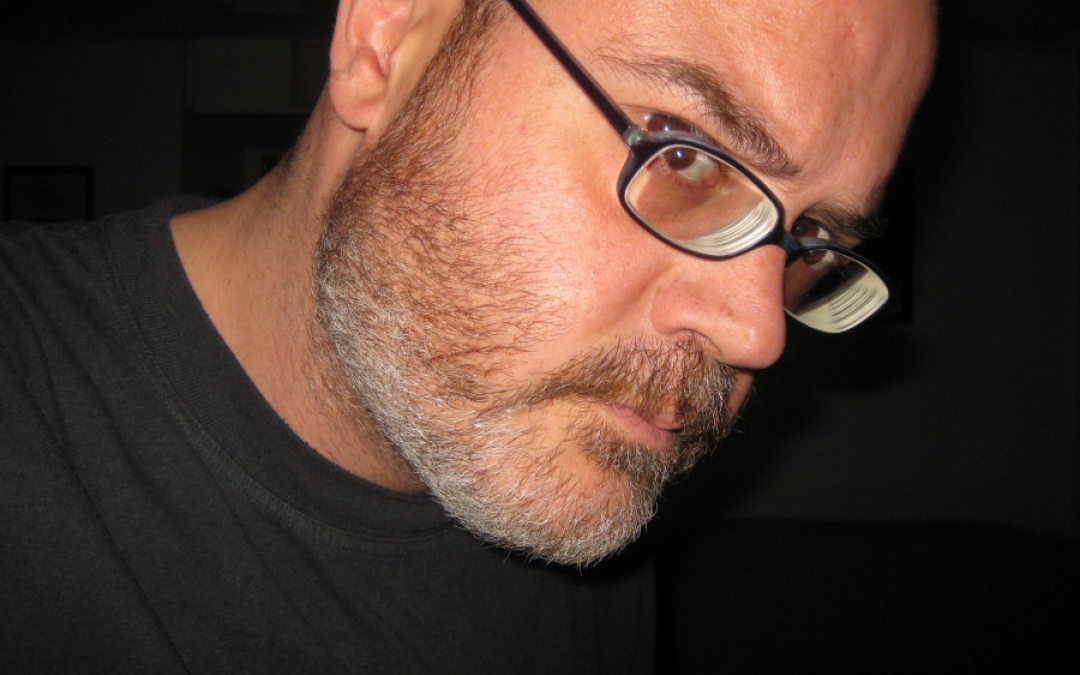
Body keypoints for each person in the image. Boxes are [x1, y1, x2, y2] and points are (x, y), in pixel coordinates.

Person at [1, 0, 935, 671]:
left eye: (814, 242)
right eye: (686, 155)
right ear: (388, 37)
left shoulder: (596, 547)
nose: (757, 332)